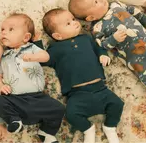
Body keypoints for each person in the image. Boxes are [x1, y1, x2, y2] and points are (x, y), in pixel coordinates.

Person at [42, 8, 124, 143]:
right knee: (71, 114)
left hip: (100, 89)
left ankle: (110, 126)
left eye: (73, 19)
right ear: (58, 36)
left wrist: (103, 54)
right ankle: (88, 129)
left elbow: (98, 48)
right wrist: (35, 44)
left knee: (117, 104)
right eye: (68, 23)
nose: (74, 23)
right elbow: (44, 59)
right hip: (77, 94)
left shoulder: (86, 38)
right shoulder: (54, 50)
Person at [0, 13, 65, 143]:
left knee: (58, 109)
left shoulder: (31, 48)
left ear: (26, 37)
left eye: (10, 29)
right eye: (2, 29)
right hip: (15, 100)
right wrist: (1, 86)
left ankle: (46, 132)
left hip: (37, 98)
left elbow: (46, 57)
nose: (4, 33)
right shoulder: (3, 55)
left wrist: (34, 57)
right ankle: (13, 120)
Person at [69, 0, 146, 95]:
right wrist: (114, 39)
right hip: (136, 57)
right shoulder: (97, 28)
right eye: (96, 2)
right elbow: (102, 45)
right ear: (91, 17)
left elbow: (132, 10)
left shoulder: (114, 4)